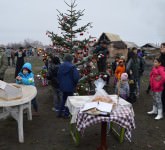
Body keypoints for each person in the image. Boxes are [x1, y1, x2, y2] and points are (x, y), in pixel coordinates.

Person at [57, 54, 80, 118]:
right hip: (70, 86)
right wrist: (76, 83)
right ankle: (66, 114)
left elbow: (58, 75)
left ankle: (60, 113)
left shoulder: (61, 66)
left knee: (64, 99)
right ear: (71, 59)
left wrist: (61, 83)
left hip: (62, 86)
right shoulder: (72, 67)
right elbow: (76, 77)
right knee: (69, 100)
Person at [159, 43, 165, 113]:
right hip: (160, 79)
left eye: (163, 47)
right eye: (161, 47)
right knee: (161, 95)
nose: (161, 48)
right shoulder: (161, 56)